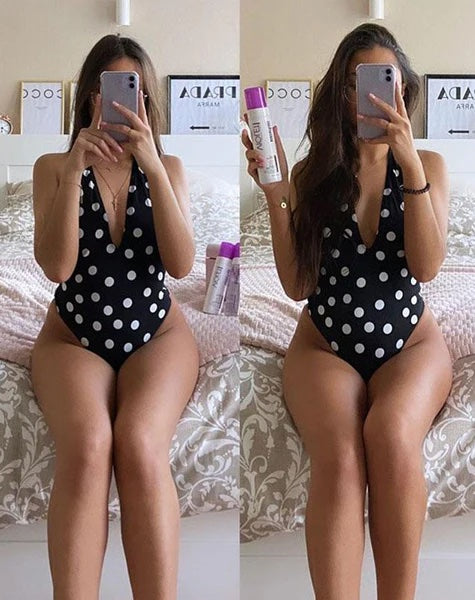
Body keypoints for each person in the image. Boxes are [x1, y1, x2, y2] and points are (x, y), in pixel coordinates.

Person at [242, 23, 452, 600]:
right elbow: (297, 284)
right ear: (342, 92)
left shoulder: (429, 165)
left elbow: (427, 267)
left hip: (410, 345)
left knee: (391, 433)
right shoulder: (314, 174)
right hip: (325, 345)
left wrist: (409, 165)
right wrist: (276, 195)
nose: (374, 95)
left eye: (386, 81)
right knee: (338, 455)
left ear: (404, 90)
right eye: (360, 82)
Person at [31, 34, 199, 599]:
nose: (125, 105)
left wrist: (151, 165)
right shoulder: (53, 167)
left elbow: (181, 265)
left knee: (141, 443)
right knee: (87, 445)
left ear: (147, 102)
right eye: (111, 92)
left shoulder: (168, 167)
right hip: (73, 338)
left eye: (136, 93)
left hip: (157, 336)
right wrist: (77, 169)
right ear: (90, 99)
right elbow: (56, 267)